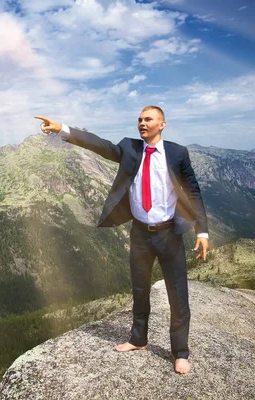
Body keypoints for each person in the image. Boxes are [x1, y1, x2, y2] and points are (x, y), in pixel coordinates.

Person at [34, 106, 208, 374]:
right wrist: (61, 129)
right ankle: (139, 340)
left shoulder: (177, 153)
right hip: (139, 233)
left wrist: (202, 230)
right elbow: (99, 145)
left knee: (178, 293)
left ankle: (180, 352)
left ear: (162, 124)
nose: (142, 123)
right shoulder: (130, 148)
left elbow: (193, 190)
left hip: (169, 233)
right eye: (139, 119)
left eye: (148, 119)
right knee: (140, 289)